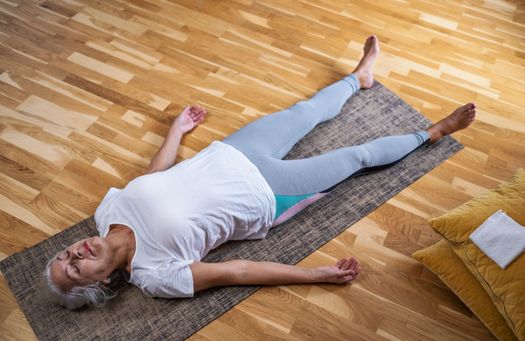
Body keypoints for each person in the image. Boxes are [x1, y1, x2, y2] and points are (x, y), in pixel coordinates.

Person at [42, 35, 476, 310]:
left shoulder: (106, 212)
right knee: (357, 157)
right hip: (268, 194)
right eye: (75, 271)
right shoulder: (155, 277)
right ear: (101, 284)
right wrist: (317, 275)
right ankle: (433, 133)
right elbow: (237, 272)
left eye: (65, 256)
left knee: (304, 112)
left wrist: (175, 131)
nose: (74, 256)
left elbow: (153, 176)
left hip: (232, 151)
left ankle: (358, 78)